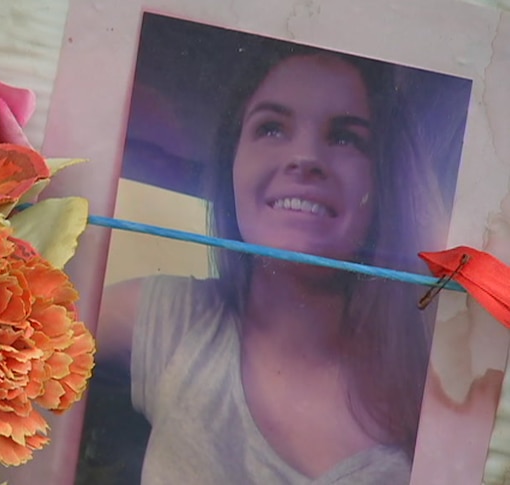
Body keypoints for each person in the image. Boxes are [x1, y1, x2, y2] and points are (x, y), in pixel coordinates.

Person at [77, 39, 450, 485]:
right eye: (271, 128)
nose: (306, 158)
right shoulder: (174, 317)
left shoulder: (442, 388)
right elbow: (5, 335)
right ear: (231, 161)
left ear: (385, 180)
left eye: (346, 137)